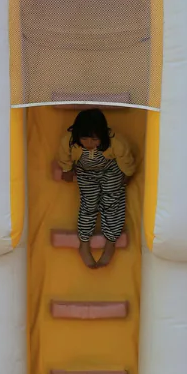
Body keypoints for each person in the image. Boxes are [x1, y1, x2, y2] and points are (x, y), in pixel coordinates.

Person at [50, 108, 136, 268]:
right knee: (88, 204)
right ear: (77, 135)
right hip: (85, 172)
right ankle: (84, 243)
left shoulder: (115, 141)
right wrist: (67, 170)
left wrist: (128, 173)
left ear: (103, 135)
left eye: (95, 140)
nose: (89, 144)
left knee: (112, 201)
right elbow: (63, 155)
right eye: (85, 139)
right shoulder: (69, 141)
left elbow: (126, 158)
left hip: (110, 170)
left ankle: (110, 242)